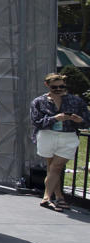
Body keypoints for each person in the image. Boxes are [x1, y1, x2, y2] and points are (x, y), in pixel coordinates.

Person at [30, 72, 87, 211]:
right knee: (52, 168)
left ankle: (46, 197)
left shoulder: (76, 101)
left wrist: (80, 121)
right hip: (47, 135)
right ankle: (59, 197)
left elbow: (87, 121)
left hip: (68, 136)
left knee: (55, 167)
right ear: (47, 85)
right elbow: (36, 122)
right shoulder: (39, 101)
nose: (58, 89)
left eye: (61, 86)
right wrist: (55, 118)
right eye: (54, 87)